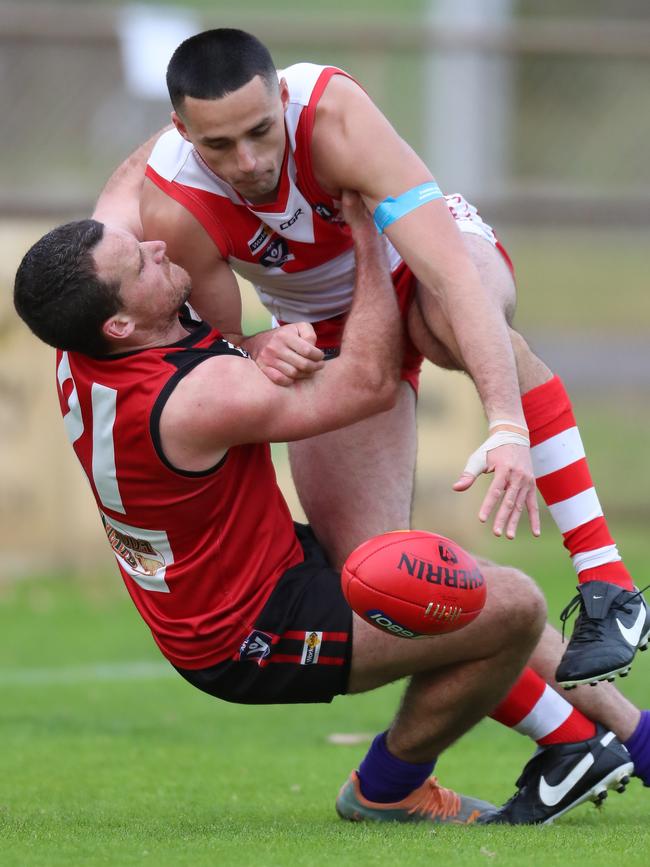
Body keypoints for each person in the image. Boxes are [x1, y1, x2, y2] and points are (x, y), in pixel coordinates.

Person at [13, 198, 638, 826]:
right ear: (119, 325)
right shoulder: (194, 399)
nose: (156, 248)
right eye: (140, 266)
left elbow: (131, 184)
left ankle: (610, 743)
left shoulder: (80, 335)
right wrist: (368, 233)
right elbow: (366, 382)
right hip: (248, 631)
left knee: (458, 598)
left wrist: (195, 134)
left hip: (244, 574)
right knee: (510, 605)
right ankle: (386, 788)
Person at [114, 28, 648, 690]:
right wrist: (260, 343)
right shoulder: (174, 205)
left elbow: (452, 272)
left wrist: (506, 423)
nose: (248, 161)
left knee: (447, 324)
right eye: (219, 145)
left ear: (281, 96)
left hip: (420, 269)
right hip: (332, 339)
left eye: (259, 131)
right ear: (181, 129)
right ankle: (571, 742)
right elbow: (217, 345)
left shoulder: (334, 115)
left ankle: (608, 583)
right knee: (382, 584)